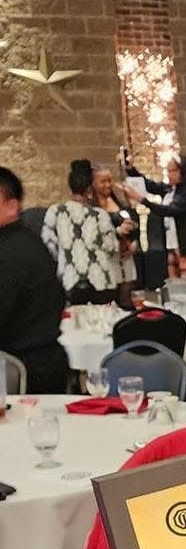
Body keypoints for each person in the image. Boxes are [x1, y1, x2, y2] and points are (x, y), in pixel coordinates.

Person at [0, 167, 70, 392]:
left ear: (12, 206)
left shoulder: (13, 250)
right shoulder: (26, 241)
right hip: (38, 362)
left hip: (24, 372)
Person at [41, 159, 129, 305]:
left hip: (70, 280)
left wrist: (65, 257)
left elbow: (48, 244)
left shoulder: (55, 212)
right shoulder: (100, 215)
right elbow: (112, 247)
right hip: (100, 280)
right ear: (89, 189)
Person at [122, 152, 186, 282]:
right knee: (175, 284)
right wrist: (131, 169)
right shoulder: (171, 189)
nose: (169, 174)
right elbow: (150, 185)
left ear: (182, 171)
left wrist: (140, 199)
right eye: (168, 171)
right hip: (173, 244)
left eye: (172, 171)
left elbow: (168, 210)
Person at [92, 163, 140, 304]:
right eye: (103, 181)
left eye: (109, 180)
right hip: (107, 259)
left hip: (125, 256)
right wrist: (117, 232)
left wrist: (134, 242)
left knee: (126, 299)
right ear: (93, 183)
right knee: (110, 300)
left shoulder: (116, 201)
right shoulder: (92, 207)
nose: (108, 185)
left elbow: (133, 222)